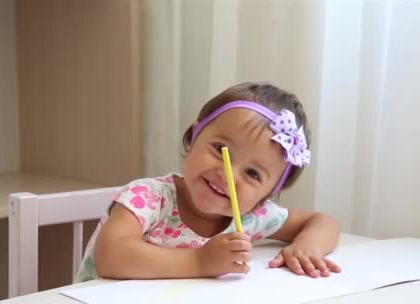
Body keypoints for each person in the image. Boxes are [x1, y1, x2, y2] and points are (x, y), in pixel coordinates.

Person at [75, 82, 341, 282]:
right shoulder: (148, 197)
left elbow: (322, 222)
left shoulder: (252, 217)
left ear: (267, 194)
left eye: (252, 174)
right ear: (194, 136)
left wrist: (308, 244)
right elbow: (110, 256)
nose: (228, 174)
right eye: (220, 150)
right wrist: (199, 261)